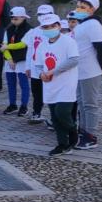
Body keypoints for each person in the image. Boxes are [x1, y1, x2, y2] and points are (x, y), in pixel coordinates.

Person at [33, 14, 80, 155]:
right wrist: (42, 74)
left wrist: (54, 71)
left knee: (62, 112)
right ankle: (62, 144)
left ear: (59, 26)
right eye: (46, 27)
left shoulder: (68, 42)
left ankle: (73, 131)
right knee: (54, 116)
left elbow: (74, 60)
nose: (50, 29)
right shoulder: (42, 44)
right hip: (50, 84)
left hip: (66, 83)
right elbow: (39, 64)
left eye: (53, 26)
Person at [70, 0, 102, 149]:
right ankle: (83, 131)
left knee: (90, 104)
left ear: (92, 9)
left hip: (90, 70)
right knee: (82, 102)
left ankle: (91, 136)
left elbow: (101, 48)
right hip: (80, 70)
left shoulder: (93, 24)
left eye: (83, 7)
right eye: (78, 6)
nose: (79, 9)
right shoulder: (83, 23)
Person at [24, 4, 55, 124]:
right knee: (36, 93)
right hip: (35, 68)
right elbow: (30, 50)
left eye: (46, 14)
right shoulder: (33, 31)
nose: (43, 17)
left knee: (52, 93)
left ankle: (54, 118)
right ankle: (36, 113)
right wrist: (28, 66)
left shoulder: (56, 31)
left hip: (50, 68)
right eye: (40, 15)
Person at [0, 7, 32, 116]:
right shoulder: (8, 29)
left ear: (23, 17)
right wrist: (9, 59)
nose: (13, 21)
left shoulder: (29, 30)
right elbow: (3, 46)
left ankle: (24, 106)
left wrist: (7, 46)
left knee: (23, 84)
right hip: (10, 61)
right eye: (12, 18)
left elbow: (23, 44)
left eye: (16, 18)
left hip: (22, 60)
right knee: (11, 84)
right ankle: (12, 105)